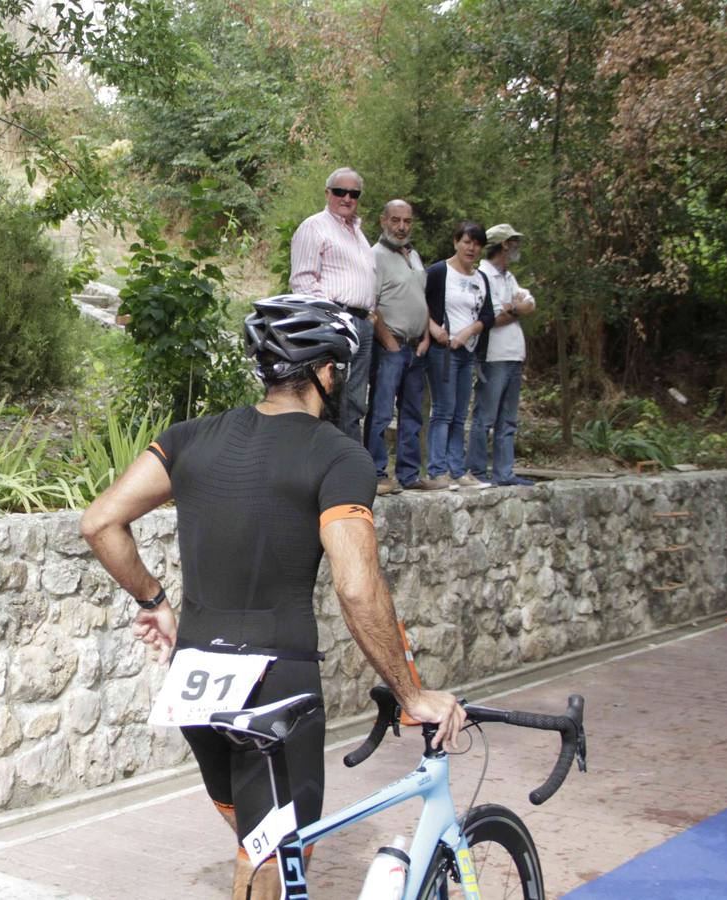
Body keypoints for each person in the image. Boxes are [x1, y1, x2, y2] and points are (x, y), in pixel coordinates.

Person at [80, 297, 466, 900]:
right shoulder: (339, 456)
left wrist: (154, 599)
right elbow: (358, 585)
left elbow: (101, 521)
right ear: (328, 372)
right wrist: (411, 694)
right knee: (269, 861)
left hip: (196, 683)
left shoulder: (188, 438)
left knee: (259, 844)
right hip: (274, 684)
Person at [289, 167, 377, 441]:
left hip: (362, 323)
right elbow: (303, 281)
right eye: (340, 191)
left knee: (355, 401)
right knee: (329, 396)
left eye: (354, 193)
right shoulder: (315, 226)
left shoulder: (358, 234)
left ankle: (349, 467)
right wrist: (333, 321)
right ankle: (324, 468)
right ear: (327, 193)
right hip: (334, 321)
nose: (347, 198)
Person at [365, 200, 442, 494]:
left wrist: (425, 337)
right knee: (382, 412)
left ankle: (410, 475)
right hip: (391, 347)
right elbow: (371, 305)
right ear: (383, 220)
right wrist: (389, 342)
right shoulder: (374, 256)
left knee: (412, 414)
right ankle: (376, 474)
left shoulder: (414, 255)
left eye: (407, 221)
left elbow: (418, 299)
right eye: (395, 220)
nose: (401, 227)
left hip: (416, 348)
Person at [423, 222, 495, 489]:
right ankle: (437, 471)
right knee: (443, 411)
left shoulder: (480, 278)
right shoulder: (439, 272)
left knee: (459, 413)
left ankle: (457, 469)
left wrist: (469, 332)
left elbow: (487, 315)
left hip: (468, 352)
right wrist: (434, 330)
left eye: (477, 244)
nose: (471, 248)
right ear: (456, 242)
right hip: (443, 352)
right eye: (467, 242)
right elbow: (419, 303)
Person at [466, 224, 536, 487]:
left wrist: (514, 308)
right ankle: (477, 471)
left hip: (514, 355)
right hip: (493, 355)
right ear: (502, 245)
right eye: (512, 243)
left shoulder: (509, 277)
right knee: (485, 417)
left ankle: (504, 473)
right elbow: (492, 318)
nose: (516, 247)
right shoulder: (483, 276)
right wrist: (516, 308)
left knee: (507, 420)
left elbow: (530, 303)